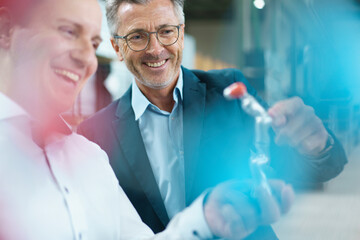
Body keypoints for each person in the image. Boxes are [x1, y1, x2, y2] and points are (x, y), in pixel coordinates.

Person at [0, 0, 295, 239]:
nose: (87, 60)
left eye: (92, 43)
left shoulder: (87, 158)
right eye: (67, 31)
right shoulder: (94, 137)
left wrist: (206, 218)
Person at [78, 0, 347, 238]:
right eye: (137, 36)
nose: (155, 48)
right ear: (117, 47)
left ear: (181, 34)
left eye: (166, 31)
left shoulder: (230, 92)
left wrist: (316, 144)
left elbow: (318, 170)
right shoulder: (94, 136)